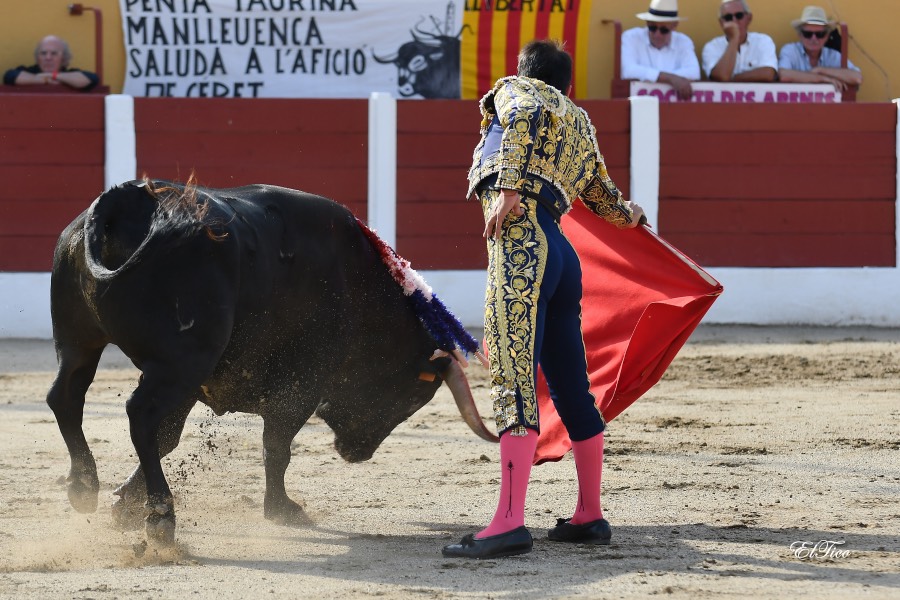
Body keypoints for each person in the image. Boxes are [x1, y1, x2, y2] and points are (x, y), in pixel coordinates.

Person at [442, 39, 644, 560]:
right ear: (569, 85)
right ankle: (589, 514)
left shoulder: (520, 93)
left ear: (524, 73)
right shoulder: (578, 120)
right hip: (561, 253)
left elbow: (527, 110)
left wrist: (509, 186)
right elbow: (601, 194)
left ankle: (509, 522)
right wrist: (631, 216)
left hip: (523, 246)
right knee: (572, 384)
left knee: (513, 374)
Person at [621, 0, 701, 101]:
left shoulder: (683, 41)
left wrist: (653, 77)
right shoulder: (631, 37)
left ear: (674, 26)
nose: (657, 34)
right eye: (652, 28)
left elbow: (694, 72)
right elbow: (628, 70)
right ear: (647, 23)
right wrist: (670, 78)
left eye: (664, 30)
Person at [778, 5, 862, 91]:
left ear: (827, 36)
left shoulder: (832, 55)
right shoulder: (791, 50)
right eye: (808, 34)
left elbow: (857, 77)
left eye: (819, 34)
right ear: (800, 35)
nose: (814, 39)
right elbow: (783, 75)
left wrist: (820, 70)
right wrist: (822, 79)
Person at [702, 0, 777, 82]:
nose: (734, 21)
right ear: (721, 22)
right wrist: (734, 39)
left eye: (739, 15)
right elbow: (722, 76)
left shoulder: (763, 41)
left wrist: (731, 79)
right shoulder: (712, 47)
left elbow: (768, 74)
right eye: (728, 17)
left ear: (749, 18)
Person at [3, 35, 99, 91]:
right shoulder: (29, 71)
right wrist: (46, 80)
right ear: (37, 57)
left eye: (54, 53)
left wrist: (52, 75)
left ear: (64, 58)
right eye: (43, 53)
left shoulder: (70, 73)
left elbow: (92, 78)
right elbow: (10, 76)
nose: (48, 58)